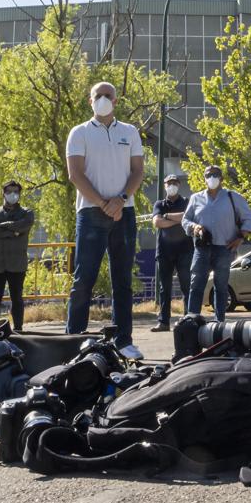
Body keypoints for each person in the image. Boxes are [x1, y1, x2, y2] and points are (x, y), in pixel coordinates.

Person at [65, 82, 144, 359]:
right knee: (83, 279)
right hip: (90, 213)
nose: (103, 99)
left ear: (116, 100)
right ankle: (74, 342)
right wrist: (103, 203)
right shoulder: (79, 132)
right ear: (90, 101)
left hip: (125, 212)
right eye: (98, 96)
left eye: (107, 95)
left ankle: (123, 340)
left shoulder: (130, 132)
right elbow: (75, 174)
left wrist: (120, 200)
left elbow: (137, 171)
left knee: (122, 280)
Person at [183, 166, 251, 322]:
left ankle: (219, 321)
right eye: (208, 175)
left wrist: (241, 236)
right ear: (204, 178)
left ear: (222, 179)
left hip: (224, 248)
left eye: (215, 175)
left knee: (221, 286)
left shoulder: (233, 197)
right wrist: (194, 227)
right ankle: (192, 320)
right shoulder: (196, 198)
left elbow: (248, 218)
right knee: (196, 285)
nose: (212, 178)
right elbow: (185, 220)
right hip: (202, 248)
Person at [0, 180, 35, 331]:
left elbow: (26, 224)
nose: (13, 195)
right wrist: (14, 231)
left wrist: (3, 227)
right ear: (3, 193)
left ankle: (18, 328)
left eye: (16, 192)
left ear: (19, 194)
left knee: (16, 296)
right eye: (9, 191)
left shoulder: (26, 212)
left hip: (17, 261)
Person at [151, 174, 192, 332]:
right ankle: (163, 322)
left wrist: (167, 216)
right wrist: (178, 219)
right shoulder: (159, 204)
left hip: (185, 250)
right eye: (169, 183)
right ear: (164, 185)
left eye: (175, 182)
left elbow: (188, 216)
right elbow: (157, 222)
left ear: (179, 184)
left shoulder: (187, 202)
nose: (172, 185)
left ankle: (189, 319)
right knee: (164, 288)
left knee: (186, 286)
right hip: (164, 252)